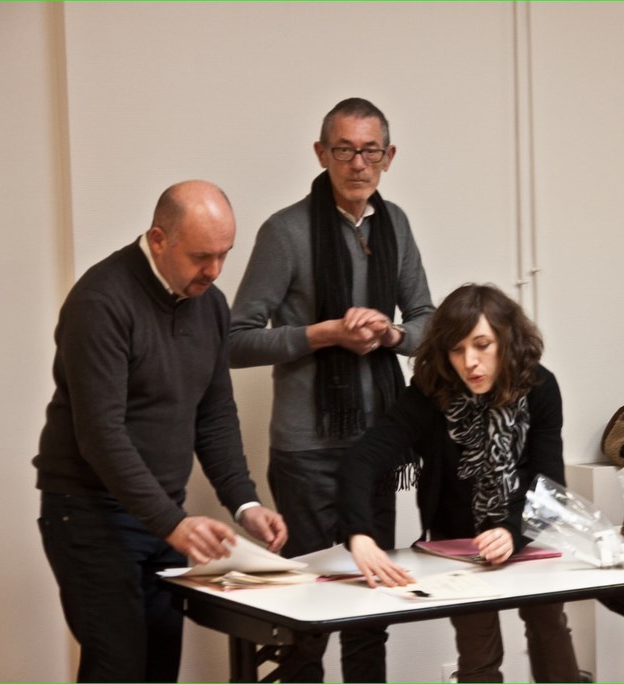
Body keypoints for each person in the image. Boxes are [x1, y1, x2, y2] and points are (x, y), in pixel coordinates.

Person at [34, 180, 288, 683]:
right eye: (201, 256)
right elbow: (101, 435)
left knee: (158, 668)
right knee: (118, 668)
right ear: (158, 239)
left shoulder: (210, 304)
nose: (214, 271)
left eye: (224, 254)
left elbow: (214, 414)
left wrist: (245, 503)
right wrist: (173, 522)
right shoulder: (101, 301)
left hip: (160, 513)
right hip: (89, 513)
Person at [229, 97, 434, 682]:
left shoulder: (395, 225)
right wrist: (323, 334)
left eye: (370, 150)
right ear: (321, 154)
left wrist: (391, 334)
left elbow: (428, 322)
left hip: (378, 445)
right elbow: (235, 341)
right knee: (310, 612)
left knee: (372, 605)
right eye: (344, 150)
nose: (358, 163)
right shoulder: (286, 231)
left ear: (389, 156)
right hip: (307, 452)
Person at [340, 284, 581, 683]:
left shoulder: (539, 386)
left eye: (482, 345)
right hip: (457, 542)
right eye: (457, 349)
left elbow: (550, 487)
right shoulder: (429, 392)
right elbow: (361, 459)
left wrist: (511, 531)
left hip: (527, 529)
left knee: (549, 628)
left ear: (507, 340)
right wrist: (359, 534)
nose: (470, 362)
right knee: (478, 653)